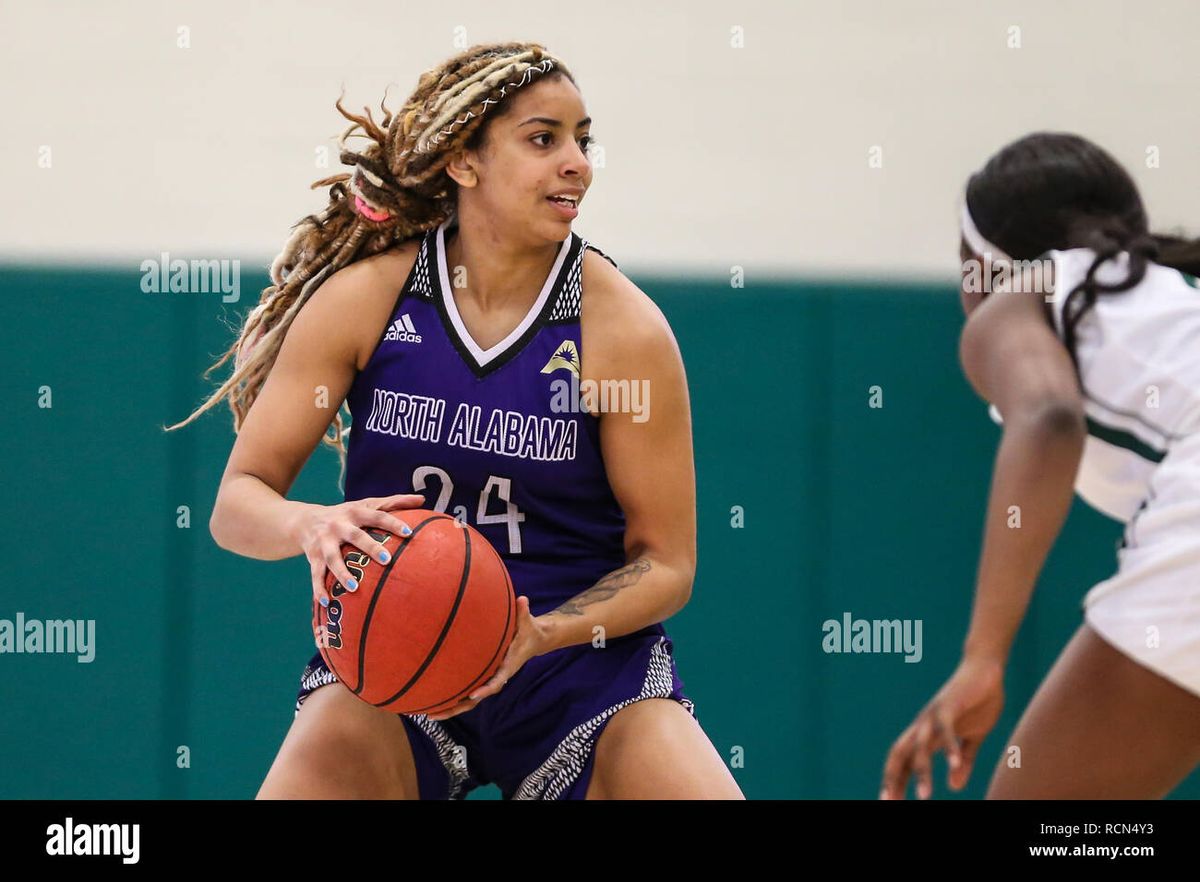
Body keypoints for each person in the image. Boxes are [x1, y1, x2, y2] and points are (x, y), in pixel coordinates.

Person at [167, 42, 742, 800]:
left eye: (583, 140)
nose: (578, 163)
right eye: (544, 139)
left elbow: (667, 565)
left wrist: (543, 632)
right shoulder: (368, 299)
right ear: (464, 162)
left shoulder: (624, 330)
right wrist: (311, 527)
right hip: (395, 653)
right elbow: (237, 503)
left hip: (576, 667)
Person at [880, 132, 1200, 800]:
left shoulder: (1022, 298)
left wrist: (983, 657)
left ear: (987, 265)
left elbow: (1049, 419)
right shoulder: (1163, 303)